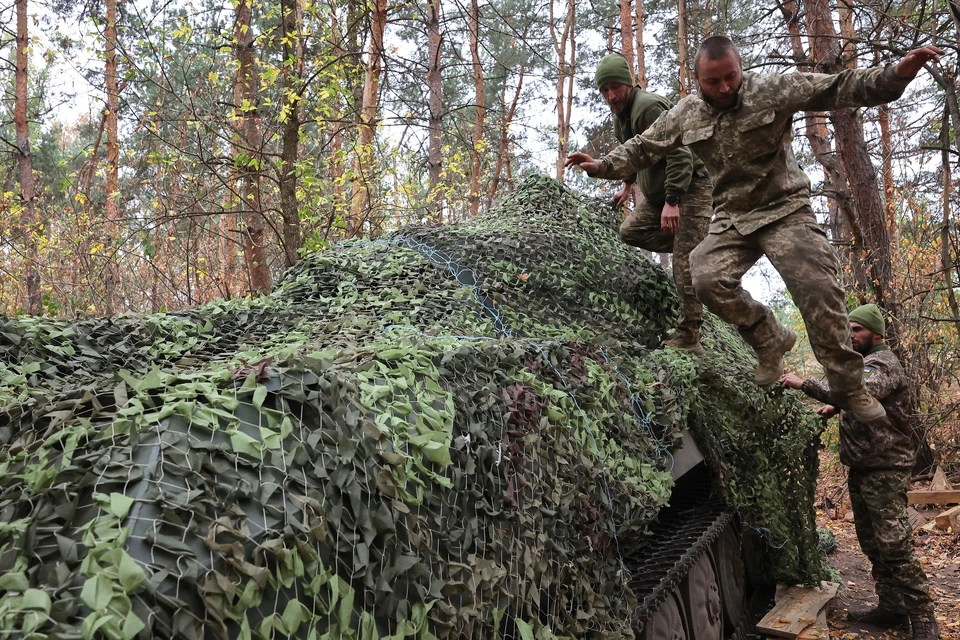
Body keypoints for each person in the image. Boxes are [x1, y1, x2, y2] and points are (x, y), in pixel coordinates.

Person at [565, 35, 944, 426]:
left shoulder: (772, 89)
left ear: (740, 68)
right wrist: (602, 166)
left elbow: (838, 87)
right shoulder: (686, 113)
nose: (725, 87)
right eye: (714, 82)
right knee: (704, 276)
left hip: (784, 210)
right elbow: (645, 146)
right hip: (733, 216)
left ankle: (849, 386)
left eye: (731, 76)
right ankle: (768, 337)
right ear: (697, 79)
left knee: (818, 290)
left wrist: (895, 75)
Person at [780, 305, 939, 640]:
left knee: (894, 544)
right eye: (849, 329)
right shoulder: (864, 363)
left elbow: (860, 393)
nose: (851, 336)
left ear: (875, 333)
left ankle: (924, 618)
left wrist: (804, 383)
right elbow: (854, 396)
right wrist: (834, 406)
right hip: (863, 467)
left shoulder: (884, 362)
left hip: (886, 467)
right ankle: (892, 606)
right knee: (872, 543)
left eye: (856, 330)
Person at [594, 53, 714, 352]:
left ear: (628, 83)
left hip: (688, 189)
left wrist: (673, 201)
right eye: (605, 90)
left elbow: (679, 152)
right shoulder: (620, 116)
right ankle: (695, 243)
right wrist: (627, 185)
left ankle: (689, 338)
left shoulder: (648, 107)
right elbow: (636, 152)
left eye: (616, 87)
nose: (611, 95)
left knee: (683, 267)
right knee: (629, 231)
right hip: (659, 194)